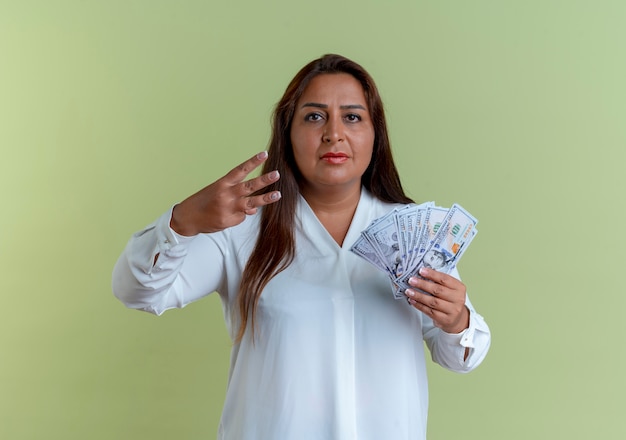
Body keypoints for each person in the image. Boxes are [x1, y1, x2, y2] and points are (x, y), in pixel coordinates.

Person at [112, 54, 491, 440]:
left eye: (353, 116)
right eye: (314, 116)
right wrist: (183, 220)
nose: (333, 133)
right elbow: (136, 291)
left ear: (376, 133)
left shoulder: (417, 234)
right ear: (287, 132)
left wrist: (455, 320)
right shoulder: (241, 227)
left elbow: (461, 357)